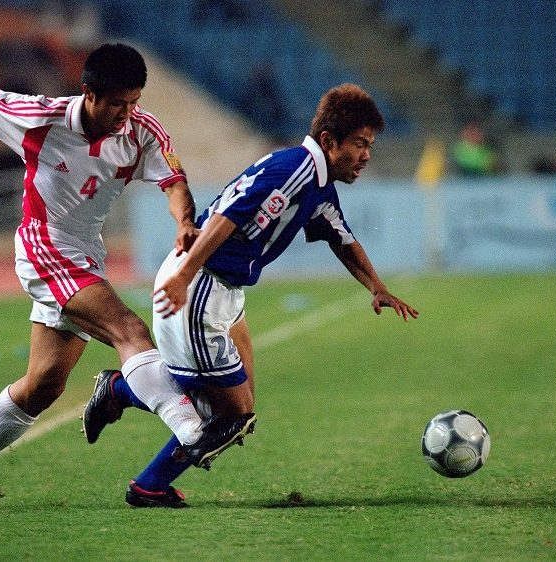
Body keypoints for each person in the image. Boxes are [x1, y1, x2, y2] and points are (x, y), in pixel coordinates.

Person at [0, 43, 248, 512]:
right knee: (129, 329)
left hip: (85, 255)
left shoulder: (142, 131)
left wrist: (182, 222)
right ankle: (192, 428)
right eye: (117, 102)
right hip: (43, 245)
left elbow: (173, 182)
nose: (126, 113)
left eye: (134, 101)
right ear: (88, 93)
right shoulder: (39, 118)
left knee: (43, 385)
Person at [84, 83, 418, 508]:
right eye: (360, 144)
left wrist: (378, 287)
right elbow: (227, 218)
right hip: (202, 282)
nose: (367, 155)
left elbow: (341, 237)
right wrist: (185, 275)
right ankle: (126, 411)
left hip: (224, 291)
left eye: (369, 145)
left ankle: (143, 458)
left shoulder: (315, 181)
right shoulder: (294, 170)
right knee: (230, 414)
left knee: (236, 408)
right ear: (330, 141)